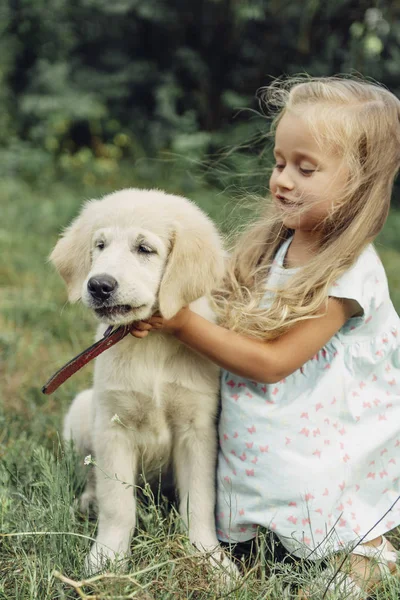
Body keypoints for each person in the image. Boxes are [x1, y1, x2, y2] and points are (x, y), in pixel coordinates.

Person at [130, 75, 400, 598]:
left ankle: (366, 564)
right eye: (279, 162)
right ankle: (262, 530)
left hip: (323, 433)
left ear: (360, 182)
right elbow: (222, 304)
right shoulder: (275, 246)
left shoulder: (349, 273)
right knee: (267, 503)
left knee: (333, 520)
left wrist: (183, 324)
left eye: (306, 168)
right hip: (270, 432)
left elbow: (273, 363)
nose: (282, 179)